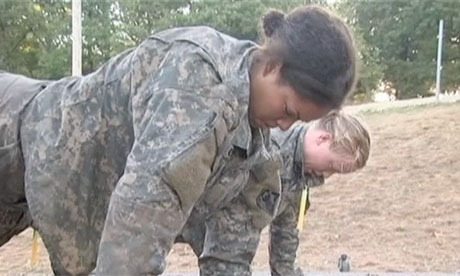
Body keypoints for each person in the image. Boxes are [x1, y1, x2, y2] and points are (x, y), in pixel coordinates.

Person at [0, 5, 357, 275]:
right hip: (15, 138)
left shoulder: (257, 154)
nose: (283, 126)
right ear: (272, 67)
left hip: (52, 189)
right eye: (289, 111)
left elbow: (230, 256)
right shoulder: (200, 85)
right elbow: (142, 217)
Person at [177, 110, 371, 276]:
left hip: (205, 232)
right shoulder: (269, 153)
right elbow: (231, 237)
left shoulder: (301, 172)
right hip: (176, 213)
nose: (326, 175)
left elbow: (286, 230)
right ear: (322, 139)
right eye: (330, 166)